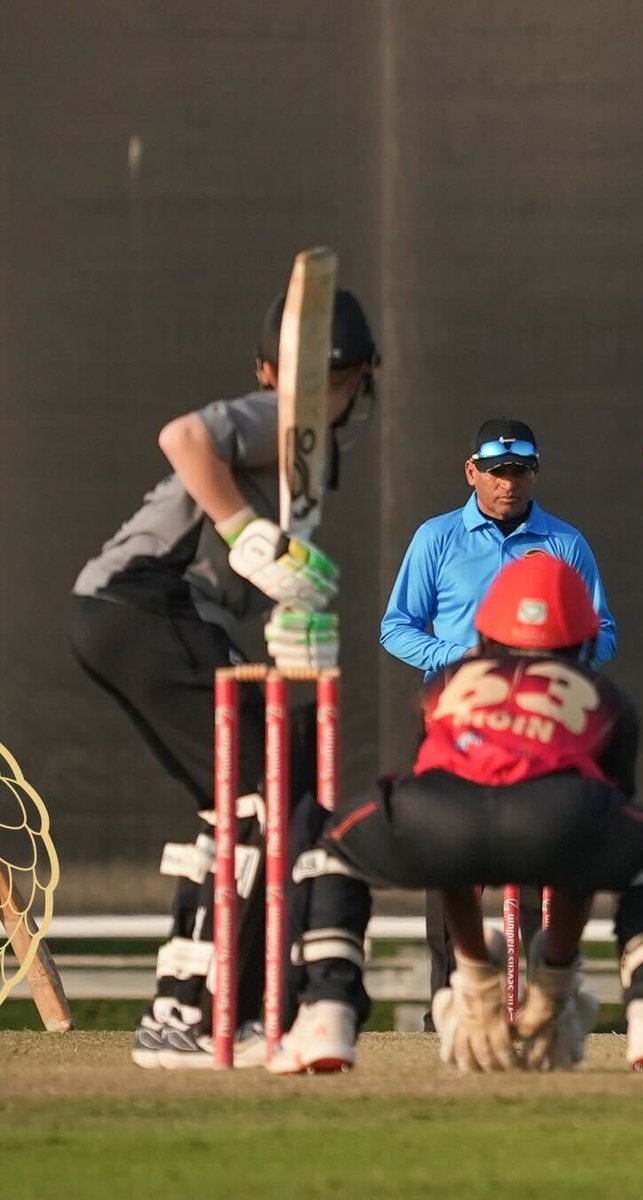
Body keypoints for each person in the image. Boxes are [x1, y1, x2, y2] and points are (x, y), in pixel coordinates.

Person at [69, 285, 379, 1067]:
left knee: (249, 800)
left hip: (141, 615)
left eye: (334, 382)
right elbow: (183, 438)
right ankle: (200, 1016)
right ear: (272, 376)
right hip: (146, 602)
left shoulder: (307, 445)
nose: (325, 399)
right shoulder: (277, 416)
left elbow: (248, 571)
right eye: (322, 381)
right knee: (265, 794)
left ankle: (190, 1008)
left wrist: (283, 603)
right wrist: (245, 533)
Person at [270, 554, 643, 1075]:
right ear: (582, 640)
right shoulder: (606, 698)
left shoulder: (442, 686)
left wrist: (475, 971)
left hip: (438, 815)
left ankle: (326, 1013)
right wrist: (553, 977)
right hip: (558, 818)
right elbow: (585, 860)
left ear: (484, 632)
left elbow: (449, 861)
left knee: (332, 845)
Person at [379, 418, 617, 1021]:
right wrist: (457, 658)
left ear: (535, 472)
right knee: (451, 852)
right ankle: (449, 1002)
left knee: (539, 851)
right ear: (473, 472)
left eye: (519, 471)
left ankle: (540, 1005)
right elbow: (396, 626)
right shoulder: (436, 538)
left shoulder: (564, 543)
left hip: (539, 718)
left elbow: (604, 632)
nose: (508, 483)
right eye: (496, 472)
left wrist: (553, 659)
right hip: (460, 716)